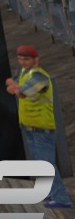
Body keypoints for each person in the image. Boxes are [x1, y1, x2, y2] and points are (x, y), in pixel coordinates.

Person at [5, 45, 73, 209]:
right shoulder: (25, 72)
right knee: (39, 163)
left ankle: (62, 199)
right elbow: (13, 85)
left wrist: (15, 87)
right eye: (20, 59)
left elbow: (21, 92)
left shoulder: (40, 77)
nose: (23, 62)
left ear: (36, 59)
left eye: (26, 59)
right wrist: (15, 86)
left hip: (41, 128)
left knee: (47, 164)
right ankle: (50, 192)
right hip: (29, 126)